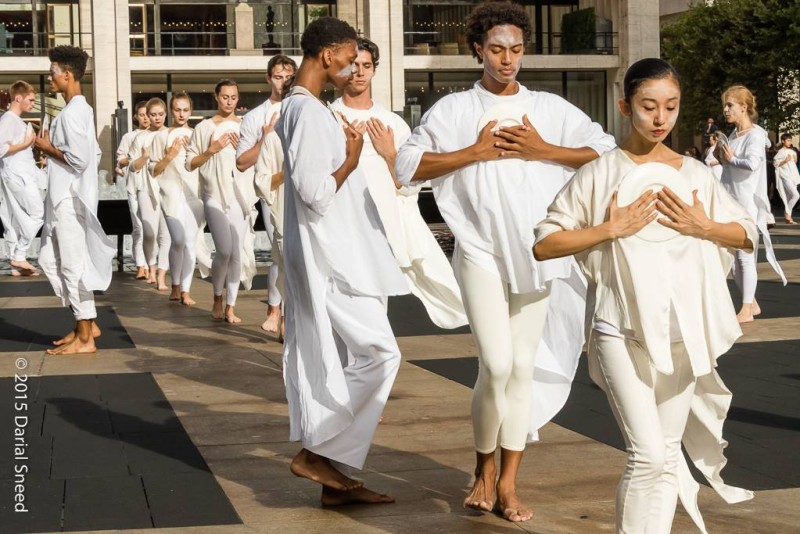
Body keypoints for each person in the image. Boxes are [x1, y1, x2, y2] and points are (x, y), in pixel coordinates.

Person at [395, 1, 616, 522]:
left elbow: (605, 152)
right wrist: (471, 153)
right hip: (479, 252)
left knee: (521, 369)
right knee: (495, 366)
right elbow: (406, 165)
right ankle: (483, 469)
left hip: (538, 255)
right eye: (497, 49)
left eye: (516, 49)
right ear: (478, 49)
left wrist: (543, 149)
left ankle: (509, 482)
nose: (508, 59)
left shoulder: (549, 107)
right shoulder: (453, 109)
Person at [534, 57, 755, 534]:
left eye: (671, 107)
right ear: (625, 106)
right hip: (619, 329)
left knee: (668, 455)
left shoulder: (694, 173)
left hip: (682, 333)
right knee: (648, 454)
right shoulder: (599, 173)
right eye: (649, 106)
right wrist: (608, 229)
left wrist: (704, 226)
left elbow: (747, 234)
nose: (660, 118)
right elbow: (545, 243)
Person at [275, 17, 407, 506]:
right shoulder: (308, 111)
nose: (353, 67)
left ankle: (335, 477)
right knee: (380, 355)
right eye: (349, 58)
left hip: (331, 250)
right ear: (328, 55)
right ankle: (317, 453)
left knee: (353, 358)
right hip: (331, 256)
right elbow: (314, 193)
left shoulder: (306, 107)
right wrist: (351, 157)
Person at [330, 38, 467, 329]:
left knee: (376, 309)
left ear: (374, 70)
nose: (360, 72)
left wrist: (389, 153)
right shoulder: (329, 117)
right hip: (339, 223)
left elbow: (408, 185)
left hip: (382, 225)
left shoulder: (392, 122)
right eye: (354, 65)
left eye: (367, 65)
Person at [34, 45, 115, 355]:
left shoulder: (73, 113)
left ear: (67, 75)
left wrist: (46, 147)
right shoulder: (77, 110)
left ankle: (85, 337)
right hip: (65, 198)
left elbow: (79, 161)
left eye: (52, 72)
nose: (49, 77)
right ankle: (86, 323)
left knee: (71, 266)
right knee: (50, 261)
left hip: (69, 200)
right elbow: (91, 153)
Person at [186, 79, 258, 323]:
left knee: (236, 252)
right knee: (224, 250)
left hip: (240, 193)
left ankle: (230, 306)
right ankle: (217, 296)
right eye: (225, 97)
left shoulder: (246, 126)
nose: (229, 101)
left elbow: (256, 159)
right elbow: (190, 163)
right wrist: (212, 150)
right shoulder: (204, 127)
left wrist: (244, 151)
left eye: (233, 97)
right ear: (216, 97)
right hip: (213, 193)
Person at [235, 55, 296, 336]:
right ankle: (276, 310)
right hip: (272, 191)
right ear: (269, 78)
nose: (283, 82)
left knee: (297, 255)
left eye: (288, 77)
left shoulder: (306, 107)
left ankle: (288, 313)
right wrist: (266, 137)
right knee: (281, 251)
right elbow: (242, 162)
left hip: (305, 190)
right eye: (278, 77)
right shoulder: (255, 116)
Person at [718, 84, 786, 322]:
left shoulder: (755, 135)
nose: (725, 110)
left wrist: (731, 159)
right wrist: (721, 157)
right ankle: (752, 303)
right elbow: (728, 165)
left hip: (745, 204)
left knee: (745, 256)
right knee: (732, 259)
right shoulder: (734, 134)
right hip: (729, 200)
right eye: (725, 106)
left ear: (743, 107)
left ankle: (747, 308)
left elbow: (753, 164)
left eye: (730, 105)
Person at [150, 92, 212, 305]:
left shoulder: (197, 135)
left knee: (190, 243)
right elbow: (154, 170)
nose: (182, 114)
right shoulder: (161, 137)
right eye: (177, 110)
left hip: (195, 195)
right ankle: (175, 284)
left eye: (185, 110)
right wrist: (170, 155)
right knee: (177, 240)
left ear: (191, 111)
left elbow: (206, 166)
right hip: (171, 195)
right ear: (171, 111)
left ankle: (184, 290)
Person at [0, 80, 45, 276]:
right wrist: (26, 144)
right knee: (37, 213)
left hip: (20, 174)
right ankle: (19, 254)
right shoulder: (8, 120)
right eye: (31, 99)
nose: (33, 103)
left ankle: (16, 262)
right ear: (18, 98)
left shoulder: (15, 120)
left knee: (14, 217)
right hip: (17, 176)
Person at [129, 97, 171, 290]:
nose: (157, 118)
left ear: (165, 114)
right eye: (153, 114)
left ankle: (161, 275)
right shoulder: (140, 138)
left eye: (160, 114)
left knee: (165, 234)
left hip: (168, 188)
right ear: (147, 115)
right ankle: (151, 267)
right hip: (146, 187)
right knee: (149, 233)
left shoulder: (171, 134)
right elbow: (132, 166)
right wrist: (145, 156)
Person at [115, 100, 150, 279]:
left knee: (152, 227)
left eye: (148, 114)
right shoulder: (129, 137)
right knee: (139, 226)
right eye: (142, 115)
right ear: (136, 116)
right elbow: (120, 161)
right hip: (134, 185)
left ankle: (152, 265)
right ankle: (140, 265)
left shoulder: (158, 134)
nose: (146, 118)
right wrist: (135, 158)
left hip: (153, 184)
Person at [773, 133, 800, 224]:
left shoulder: (792, 152)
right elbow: (776, 164)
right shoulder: (780, 152)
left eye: (790, 140)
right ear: (783, 141)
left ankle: (788, 217)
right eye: (788, 140)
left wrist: (795, 160)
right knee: (796, 195)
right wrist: (785, 160)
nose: (790, 142)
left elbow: (793, 164)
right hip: (785, 176)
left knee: (789, 196)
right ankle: (787, 213)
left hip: (793, 176)